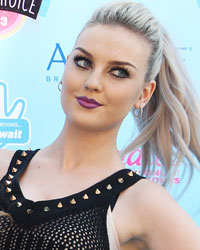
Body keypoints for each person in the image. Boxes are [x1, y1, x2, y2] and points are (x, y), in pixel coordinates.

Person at [0, 0, 200, 249]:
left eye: (118, 72)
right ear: (65, 66)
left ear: (144, 94)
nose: (93, 82)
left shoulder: (139, 201)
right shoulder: (2, 165)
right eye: (84, 62)